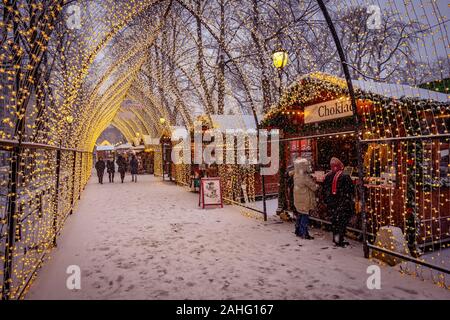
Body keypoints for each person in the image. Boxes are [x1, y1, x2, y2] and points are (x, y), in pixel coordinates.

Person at [323, 157, 355, 247]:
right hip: (342, 202)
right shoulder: (345, 176)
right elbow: (350, 189)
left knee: (335, 221)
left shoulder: (328, 175)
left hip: (332, 202)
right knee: (341, 221)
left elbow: (325, 188)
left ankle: (336, 237)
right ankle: (339, 239)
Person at [293, 158, 318, 240]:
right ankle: (304, 233)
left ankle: (298, 231)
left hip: (299, 199)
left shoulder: (296, 174)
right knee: (304, 216)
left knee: (300, 215)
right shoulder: (304, 177)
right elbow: (314, 187)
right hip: (304, 200)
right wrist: (316, 184)